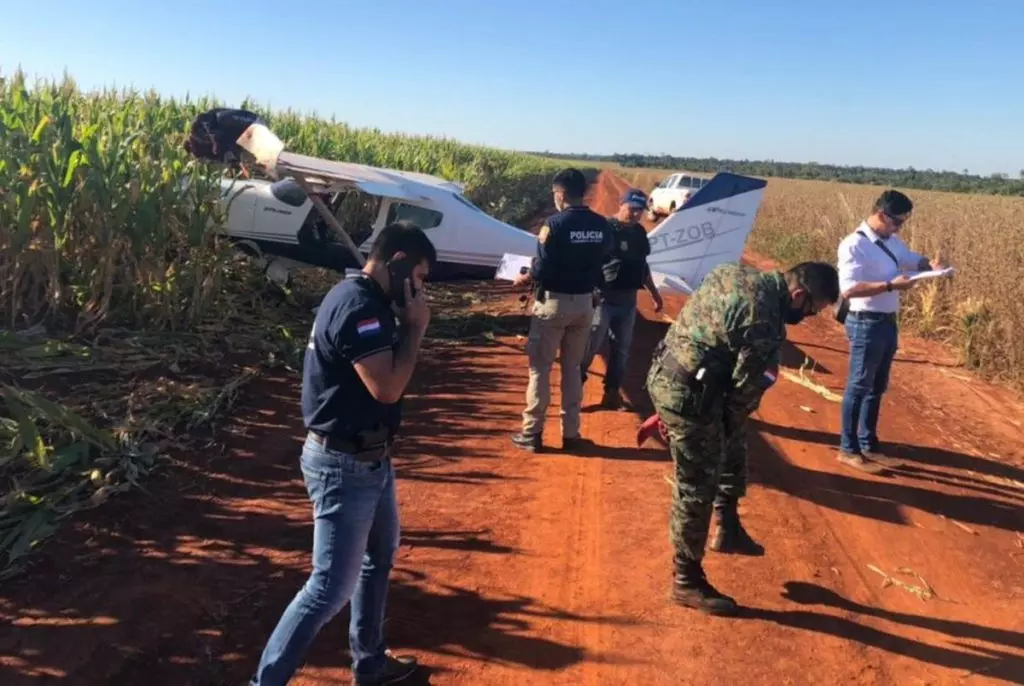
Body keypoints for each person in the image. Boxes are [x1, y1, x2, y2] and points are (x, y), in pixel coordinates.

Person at [249, 221, 436, 686]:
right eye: (419, 278)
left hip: (371, 460)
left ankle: (370, 664)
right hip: (344, 466)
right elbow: (387, 387)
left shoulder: (365, 299)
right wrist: (415, 329)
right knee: (328, 588)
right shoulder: (359, 308)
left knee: (379, 557)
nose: (420, 290)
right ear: (398, 263)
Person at [643, 261, 840, 616]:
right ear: (798, 295)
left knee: (735, 445)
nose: (807, 317)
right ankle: (686, 580)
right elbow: (744, 394)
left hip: (668, 371)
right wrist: (708, 423)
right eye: (811, 310)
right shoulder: (765, 321)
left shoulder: (732, 272)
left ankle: (728, 526)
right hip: (689, 396)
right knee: (697, 484)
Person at [836, 190, 944, 474]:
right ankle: (848, 449)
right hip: (864, 322)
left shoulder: (891, 241)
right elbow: (849, 289)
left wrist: (928, 265)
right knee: (859, 386)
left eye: (903, 223)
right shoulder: (854, 245)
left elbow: (908, 258)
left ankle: (868, 444)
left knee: (877, 387)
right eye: (896, 222)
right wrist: (890, 286)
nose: (899, 228)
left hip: (886, 321)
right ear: (882, 215)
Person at [510, 168, 612, 452]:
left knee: (540, 369)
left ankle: (532, 432)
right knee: (572, 368)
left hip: (553, 304)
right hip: (584, 304)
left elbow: (542, 268)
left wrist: (525, 277)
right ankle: (571, 433)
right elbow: (604, 260)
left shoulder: (554, 225)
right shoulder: (601, 225)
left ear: (561, 194)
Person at [580, 188, 664, 409]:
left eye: (640, 211)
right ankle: (573, 393)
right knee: (590, 346)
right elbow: (588, 263)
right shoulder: (604, 229)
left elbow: (643, 266)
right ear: (621, 204)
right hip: (602, 298)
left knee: (622, 349)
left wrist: (654, 293)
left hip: (628, 300)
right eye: (632, 209)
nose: (635, 214)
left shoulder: (639, 233)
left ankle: (612, 393)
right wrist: (590, 291)